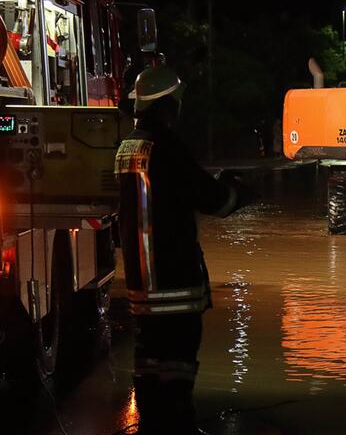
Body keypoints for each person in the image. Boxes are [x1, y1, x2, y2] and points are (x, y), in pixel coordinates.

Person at [115, 65, 254, 434]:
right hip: (175, 277)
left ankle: (152, 425)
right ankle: (177, 426)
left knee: (148, 360)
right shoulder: (167, 146)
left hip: (141, 281)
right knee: (178, 360)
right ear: (168, 105)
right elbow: (213, 200)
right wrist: (239, 192)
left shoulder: (128, 145)